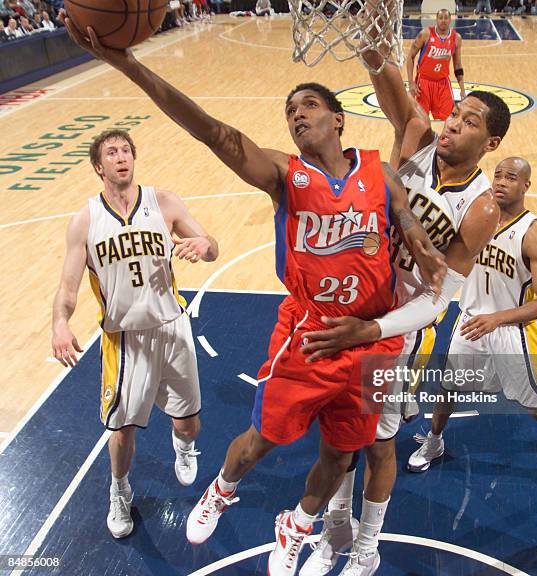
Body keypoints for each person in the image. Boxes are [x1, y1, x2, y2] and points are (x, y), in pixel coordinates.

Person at [64, 20, 446, 576]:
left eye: (309, 105)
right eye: (290, 110)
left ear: (338, 119)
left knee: (342, 453)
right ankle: (222, 488)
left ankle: (295, 524)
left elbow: (404, 213)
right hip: (311, 334)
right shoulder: (284, 176)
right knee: (260, 441)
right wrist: (129, 67)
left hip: (373, 340)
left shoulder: (376, 168)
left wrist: (416, 238)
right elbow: (215, 134)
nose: (297, 115)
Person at [298, 47, 511, 575]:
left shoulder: (483, 206)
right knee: (336, 436)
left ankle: (366, 547)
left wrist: (372, 329)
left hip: (394, 332)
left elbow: (438, 299)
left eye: (469, 123)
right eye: (455, 115)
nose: (453, 125)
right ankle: (334, 530)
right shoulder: (415, 137)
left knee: (376, 444)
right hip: (350, 301)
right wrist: (370, 38)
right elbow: (387, 79)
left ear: (491, 144)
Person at [51, 129, 218, 539]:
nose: (121, 157)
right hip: (125, 340)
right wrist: (60, 322)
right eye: (111, 152)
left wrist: (202, 244)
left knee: (189, 424)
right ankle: (120, 490)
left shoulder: (164, 202)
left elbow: (212, 245)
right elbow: (68, 287)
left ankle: (183, 447)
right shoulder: (85, 221)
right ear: (99, 167)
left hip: (173, 328)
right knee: (122, 431)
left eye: (126, 150)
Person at [407, 157, 537, 505]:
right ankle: (435, 440)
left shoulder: (533, 235)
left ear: (525, 186)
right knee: (447, 388)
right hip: (471, 321)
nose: (502, 182)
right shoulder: (475, 220)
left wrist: (499, 318)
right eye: (499, 176)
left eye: (512, 177)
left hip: (516, 332)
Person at [406, 9, 465, 122]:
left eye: (446, 18)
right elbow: (410, 57)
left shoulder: (456, 38)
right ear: (436, 20)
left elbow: (457, 65)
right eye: (440, 18)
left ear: (450, 20)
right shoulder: (426, 34)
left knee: (449, 120)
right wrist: (411, 83)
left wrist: (462, 89)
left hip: (442, 83)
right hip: (423, 83)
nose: (443, 20)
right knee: (420, 121)